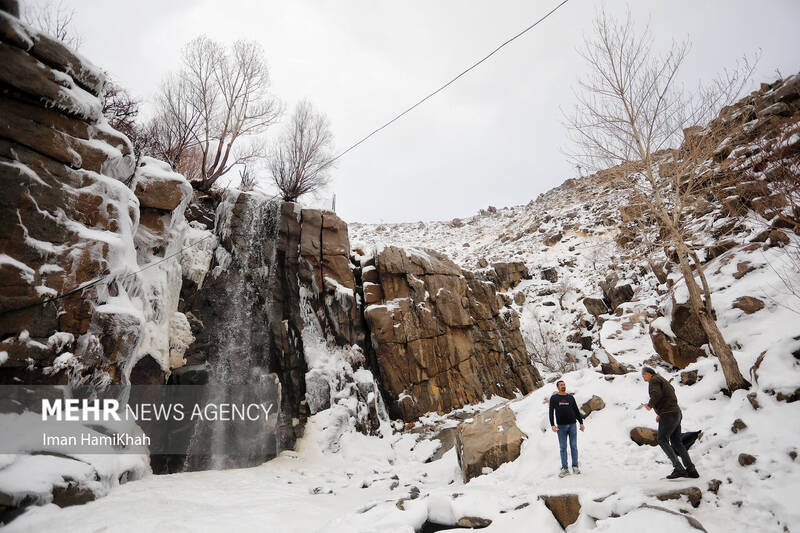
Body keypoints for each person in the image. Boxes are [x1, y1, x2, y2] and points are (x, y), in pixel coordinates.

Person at [642, 366, 699, 479]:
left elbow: (656, 395)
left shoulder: (654, 380)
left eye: (643, 374)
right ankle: (691, 470)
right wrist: (661, 413)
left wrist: (649, 405)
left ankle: (678, 468)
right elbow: (668, 395)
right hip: (676, 413)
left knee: (662, 439)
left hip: (669, 414)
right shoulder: (662, 380)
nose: (643, 377)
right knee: (677, 442)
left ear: (649, 373)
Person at [549, 380, 585, 477]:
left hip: (572, 425)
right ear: (557, 387)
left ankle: (575, 466)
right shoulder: (554, 398)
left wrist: (581, 423)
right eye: (561, 385)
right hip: (561, 427)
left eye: (564, 384)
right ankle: (565, 469)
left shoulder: (570, 397)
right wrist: (552, 425)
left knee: (574, 446)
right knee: (563, 448)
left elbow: (576, 411)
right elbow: (551, 412)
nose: (563, 386)